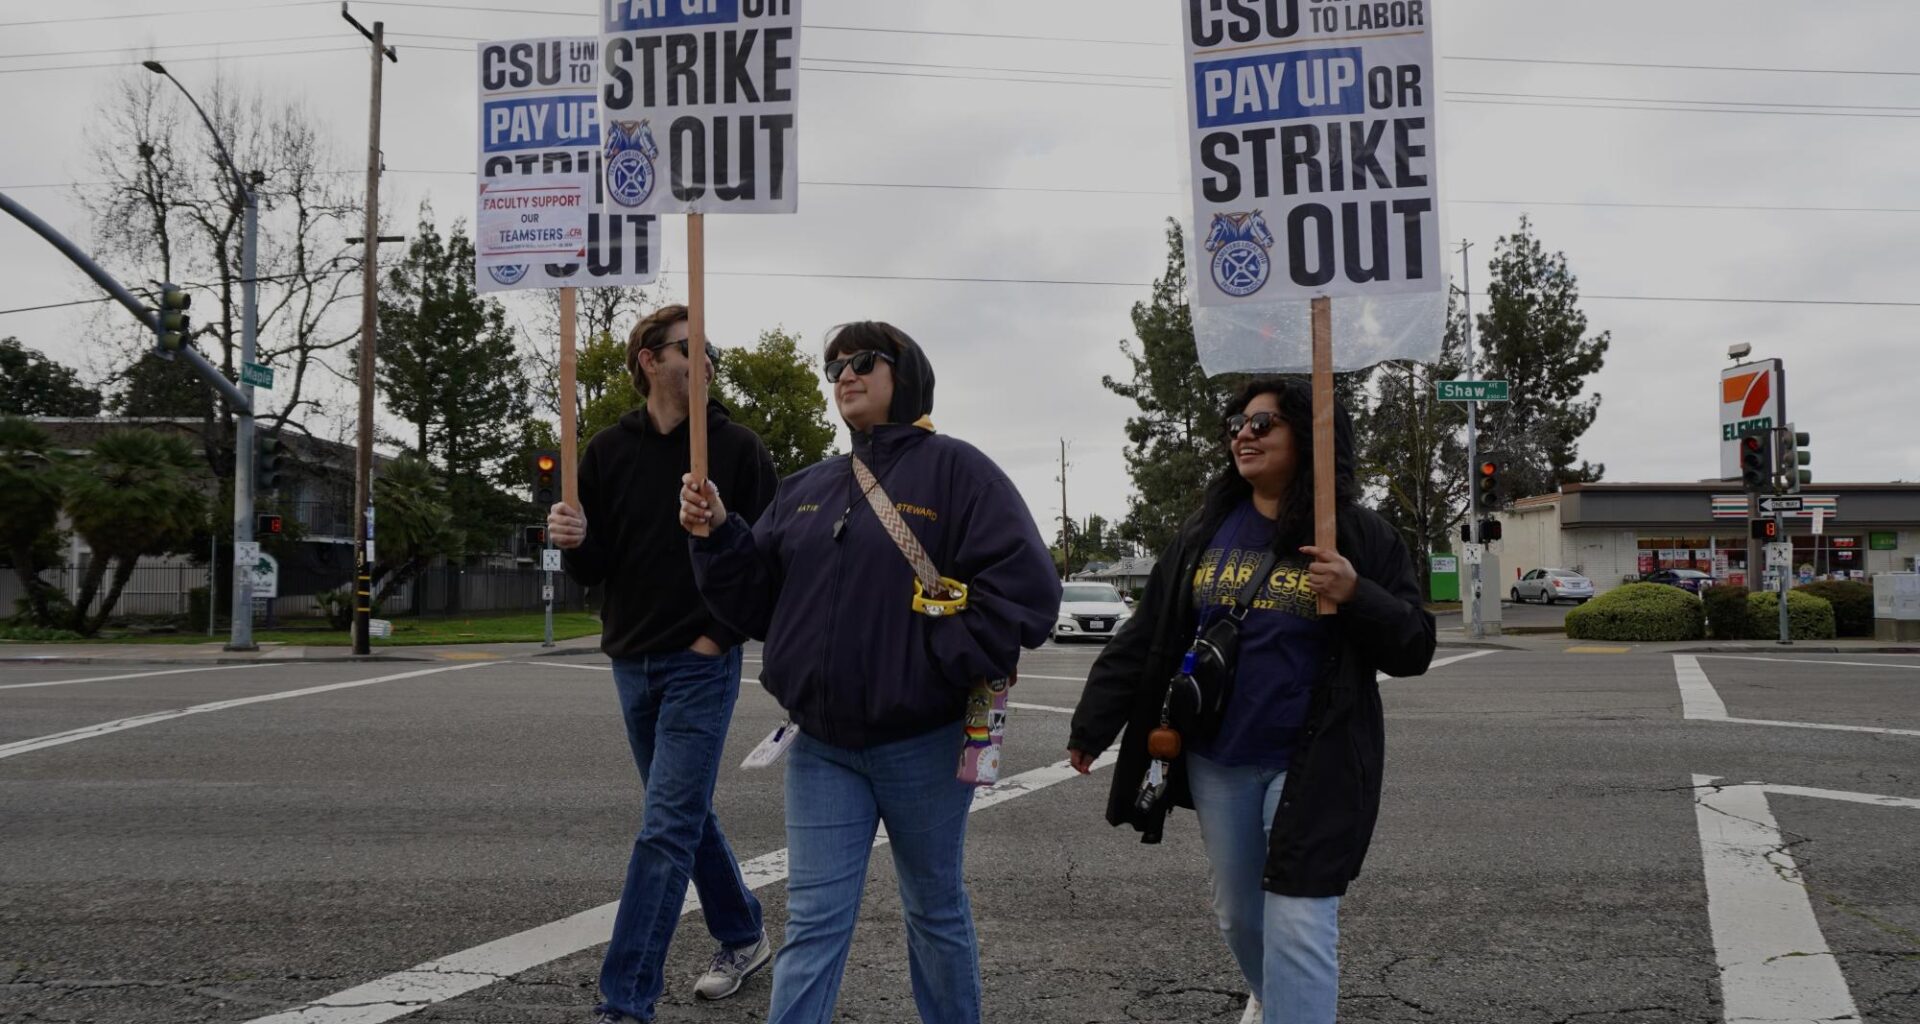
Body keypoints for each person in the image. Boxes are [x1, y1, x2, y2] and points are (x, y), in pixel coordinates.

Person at [678, 321, 1060, 1024]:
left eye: (861, 360)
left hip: (924, 744)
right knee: (813, 922)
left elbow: (1027, 592)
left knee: (934, 911)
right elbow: (754, 602)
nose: (844, 375)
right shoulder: (807, 487)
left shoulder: (959, 471)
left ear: (904, 373)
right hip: (821, 748)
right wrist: (719, 534)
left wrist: (940, 661)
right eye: (834, 368)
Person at [1066, 378, 1435, 1024]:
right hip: (1218, 758)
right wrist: (1093, 723)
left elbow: (1415, 647)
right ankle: (1271, 995)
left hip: (1315, 761)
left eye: (1263, 424)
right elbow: (1148, 632)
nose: (1243, 434)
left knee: (1300, 922)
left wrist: (1357, 594)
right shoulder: (1205, 532)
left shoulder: (1359, 536)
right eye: (1237, 423)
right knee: (1240, 915)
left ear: (1310, 435)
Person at [547, 304, 781, 1024]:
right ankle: (743, 933)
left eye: (710, 349)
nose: (705, 360)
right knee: (683, 816)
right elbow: (595, 567)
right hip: (631, 659)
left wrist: (717, 636)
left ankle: (625, 1003)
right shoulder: (607, 451)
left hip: (699, 663)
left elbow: (768, 561)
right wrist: (572, 538)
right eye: (690, 347)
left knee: (664, 828)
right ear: (650, 360)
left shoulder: (736, 449)